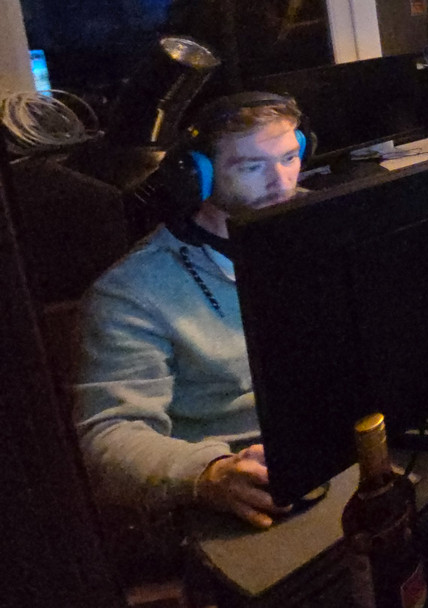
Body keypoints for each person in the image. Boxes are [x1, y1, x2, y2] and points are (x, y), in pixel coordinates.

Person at [74, 94, 306, 529]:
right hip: (251, 486)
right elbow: (107, 438)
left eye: (289, 157)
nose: (281, 182)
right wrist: (209, 474)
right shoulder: (131, 293)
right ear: (197, 176)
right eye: (251, 167)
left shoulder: (315, 228)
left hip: (340, 445)